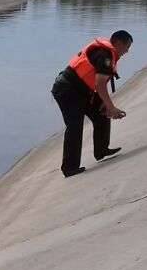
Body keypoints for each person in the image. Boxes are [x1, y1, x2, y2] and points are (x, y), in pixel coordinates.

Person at [51, 31, 132, 177]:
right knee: (75, 126)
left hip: (82, 91)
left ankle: (101, 150)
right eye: (127, 47)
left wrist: (106, 105)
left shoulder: (107, 53)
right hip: (67, 90)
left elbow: (98, 84)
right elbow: (100, 84)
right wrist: (112, 107)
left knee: (101, 112)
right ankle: (69, 168)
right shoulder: (104, 55)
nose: (127, 51)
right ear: (118, 43)